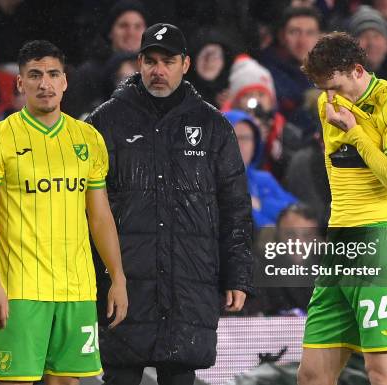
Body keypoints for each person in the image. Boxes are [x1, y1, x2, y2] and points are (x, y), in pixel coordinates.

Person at [86, 23, 253, 385]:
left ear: (186, 64)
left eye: (168, 61)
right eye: (150, 61)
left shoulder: (213, 126)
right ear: (139, 62)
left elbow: (235, 207)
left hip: (189, 285)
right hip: (124, 284)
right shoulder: (105, 123)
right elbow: (86, 208)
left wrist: (237, 276)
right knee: (120, 375)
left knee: (180, 374)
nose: (158, 70)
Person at [0, 40, 127, 384]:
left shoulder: (88, 139)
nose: (45, 83)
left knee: (67, 381)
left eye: (53, 74)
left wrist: (117, 276)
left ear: (65, 81)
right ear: (20, 83)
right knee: (13, 381)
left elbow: (100, 217)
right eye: (35, 75)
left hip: (78, 288)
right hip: (21, 289)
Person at [298, 32, 387, 385]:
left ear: (357, 70)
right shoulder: (328, 105)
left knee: (385, 376)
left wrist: (355, 132)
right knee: (311, 376)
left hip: (381, 242)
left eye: (335, 86)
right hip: (340, 245)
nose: (330, 97)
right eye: (323, 89)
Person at [224, 109, 298, 228]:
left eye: (246, 138)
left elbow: (296, 213)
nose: (239, 144)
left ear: (255, 144)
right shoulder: (208, 183)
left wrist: (263, 204)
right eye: (233, 137)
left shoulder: (263, 179)